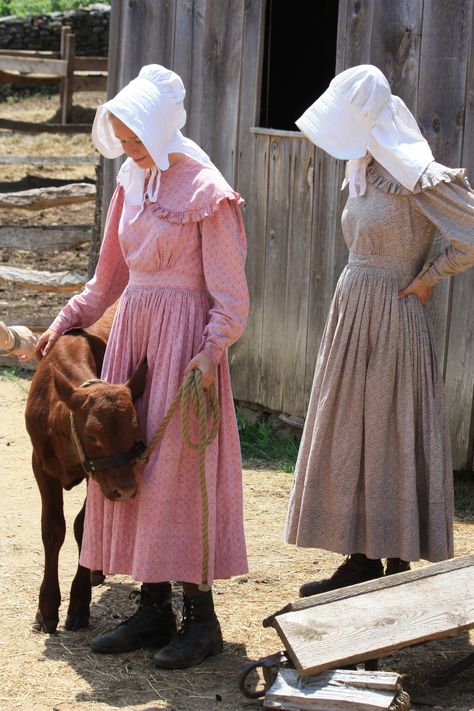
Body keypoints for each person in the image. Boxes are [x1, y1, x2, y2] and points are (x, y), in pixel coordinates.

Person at [34, 64, 249, 667]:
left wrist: (211, 351)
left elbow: (231, 295)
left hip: (184, 351)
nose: (126, 149)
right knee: (131, 467)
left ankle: (201, 620)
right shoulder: (132, 182)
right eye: (122, 139)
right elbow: (107, 281)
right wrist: (61, 324)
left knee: (182, 476)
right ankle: (152, 609)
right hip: (133, 344)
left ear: (159, 129)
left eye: (133, 138)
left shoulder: (208, 192)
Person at [285, 65, 474, 597]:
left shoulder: (416, 173)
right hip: (354, 308)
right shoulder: (364, 166)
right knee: (352, 429)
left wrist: (428, 279)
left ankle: (393, 550)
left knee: (389, 427)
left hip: (393, 312)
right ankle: (360, 555)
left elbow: (471, 232)